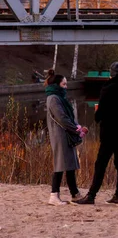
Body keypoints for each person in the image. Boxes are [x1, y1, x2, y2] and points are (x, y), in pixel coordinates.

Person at [76, 61, 118, 205]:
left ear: (111, 74)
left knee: (100, 164)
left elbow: (99, 116)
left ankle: (91, 196)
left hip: (109, 133)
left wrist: (97, 112)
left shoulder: (106, 89)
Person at [45, 70, 87, 206]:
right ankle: (54, 195)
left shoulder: (58, 98)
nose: (66, 87)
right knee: (60, 164)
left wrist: (77, 127)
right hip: (60, 136)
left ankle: (75, 194)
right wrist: (76, 129)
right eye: (64, 84)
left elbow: (67, 117)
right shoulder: (53, 98)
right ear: (57, 85)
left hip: (65, 135)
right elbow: (62, 118)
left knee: (69, 164)